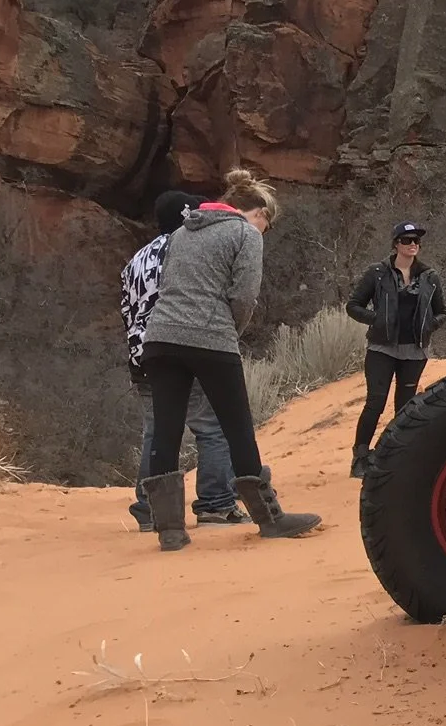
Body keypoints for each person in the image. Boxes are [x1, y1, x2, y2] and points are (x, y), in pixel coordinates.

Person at [138, 169, 320, 552]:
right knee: (237, 427)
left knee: (167, 431)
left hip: (160, 338)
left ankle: (170, 530)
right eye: (266, 223)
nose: (264, 231)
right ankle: (270, 520)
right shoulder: (245, 234)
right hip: (210, 338)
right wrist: (227, 330)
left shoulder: (182, 233)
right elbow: (244, 295)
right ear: (255, 212)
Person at [121, 190, 241, 530]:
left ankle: (150, 508)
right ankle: (216, 504)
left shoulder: (136, 259)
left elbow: (127, 312)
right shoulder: (184, 249)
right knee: (213, 425)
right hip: (187, 346)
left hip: (143, 355)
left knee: (156, 431)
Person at [345, 221, 446, 477]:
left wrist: (429, 328)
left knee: (405, 407)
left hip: (414, 351)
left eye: (416, 241)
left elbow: (443, 311)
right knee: (375, 402)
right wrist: (376, 320)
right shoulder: (377, 272)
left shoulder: (429, 276)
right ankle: (360, 456)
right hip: (382, 348)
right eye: (406, 240)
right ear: (396, 244)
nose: (412, 245)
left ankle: (396, 455)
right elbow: (353, 305)